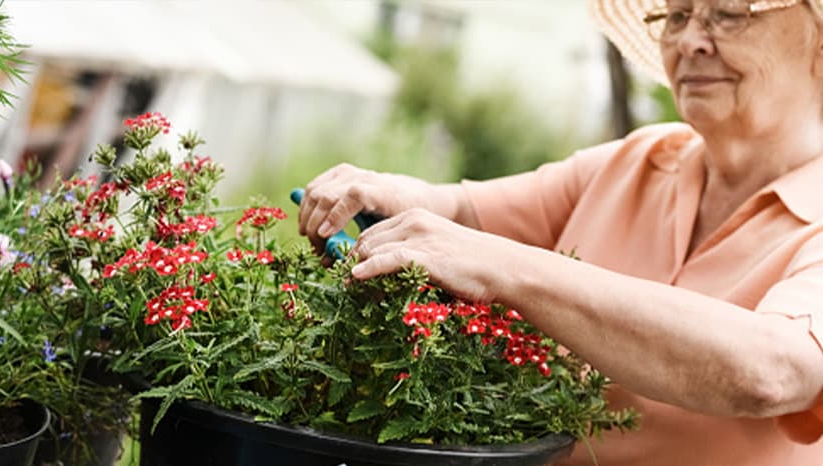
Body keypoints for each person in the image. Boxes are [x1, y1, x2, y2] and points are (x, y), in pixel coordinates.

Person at [297, 0, 823, 464]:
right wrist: (386, 194)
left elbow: (772, 371)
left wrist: (506, 267)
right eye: (676, 15)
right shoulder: (638, 160)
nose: (689, 40)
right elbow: (460, 210)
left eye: (728, 13)